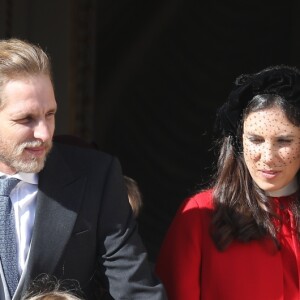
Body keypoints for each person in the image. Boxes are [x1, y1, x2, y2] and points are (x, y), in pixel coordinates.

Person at [0, 38, 167, 300]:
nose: (44, 133)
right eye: (26, 119)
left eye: (50, 114)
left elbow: (135, 290)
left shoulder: (96, 176)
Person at [155, 65, 300, 299]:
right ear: (239, 142)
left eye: (283, 141)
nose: (268, 156)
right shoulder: (201, 213)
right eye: (255, 139)